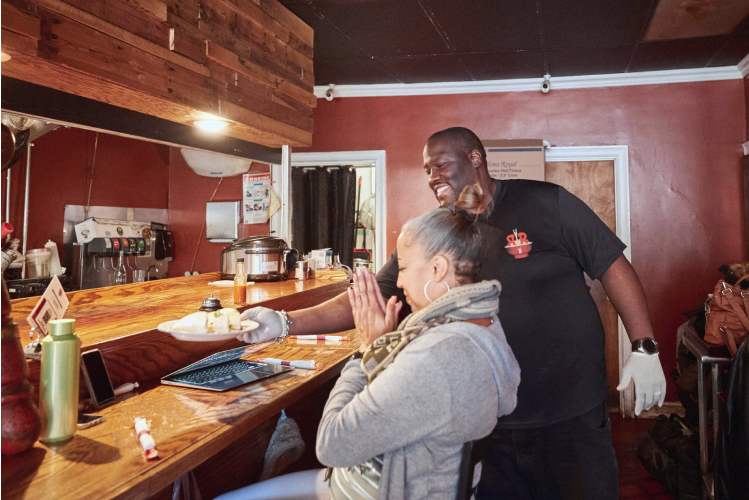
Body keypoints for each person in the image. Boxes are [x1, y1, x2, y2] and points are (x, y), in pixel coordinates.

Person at [238, 127, 667, 499]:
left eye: (440, 165)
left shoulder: (547, 202)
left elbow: (613, 266)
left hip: (568, 410)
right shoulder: (442, 231)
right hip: (488, 421)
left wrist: (644, 347)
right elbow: (369, 295)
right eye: (426, 170)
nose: (432, 177)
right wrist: (285, 322)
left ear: (475, 158)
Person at [220, 185, 520, 499]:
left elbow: (333, 445)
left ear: (437, 268)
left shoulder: (438, 354)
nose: (399, 282)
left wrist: (364, 351)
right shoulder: (482, 326)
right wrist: (383, 346)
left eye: (403, 268)